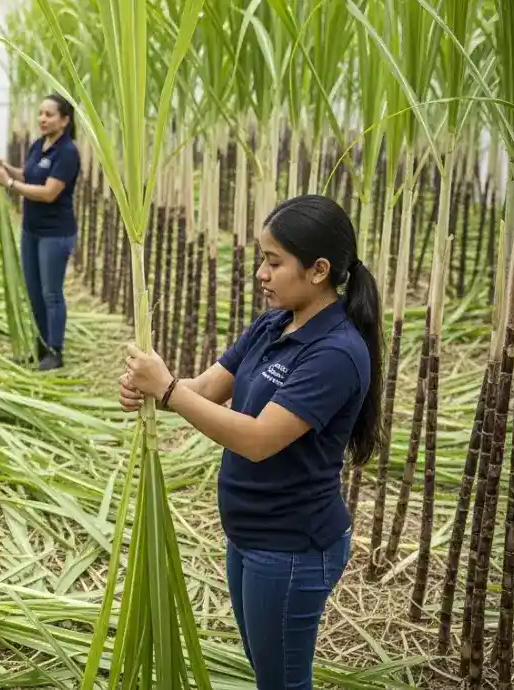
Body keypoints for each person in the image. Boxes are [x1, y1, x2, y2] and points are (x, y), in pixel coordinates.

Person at [117, 195, 383, 690]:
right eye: (262, 259)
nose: (261, 273)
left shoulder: (336, 353)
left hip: (291, 547)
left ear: (319, 270)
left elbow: (259, 440)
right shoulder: (275, 323)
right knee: (268, 670)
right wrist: (152, 390)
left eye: (274, 262)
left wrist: (168, 389)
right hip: (250, 536)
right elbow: (205, 389)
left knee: (281, 682)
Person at [0, 93, 81, 370]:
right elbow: (29, 175)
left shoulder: (67, 152)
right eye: (41, 113)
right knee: (34, 293)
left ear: (64, 120)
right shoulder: (39, 145)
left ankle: (55, 352)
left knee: (51, 294)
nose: (42, 119)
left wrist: (9, 185)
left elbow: (49, 192)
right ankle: (40, 348)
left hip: (55, 234)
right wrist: (8, 170)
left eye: (49, 115)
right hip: (31, 231)